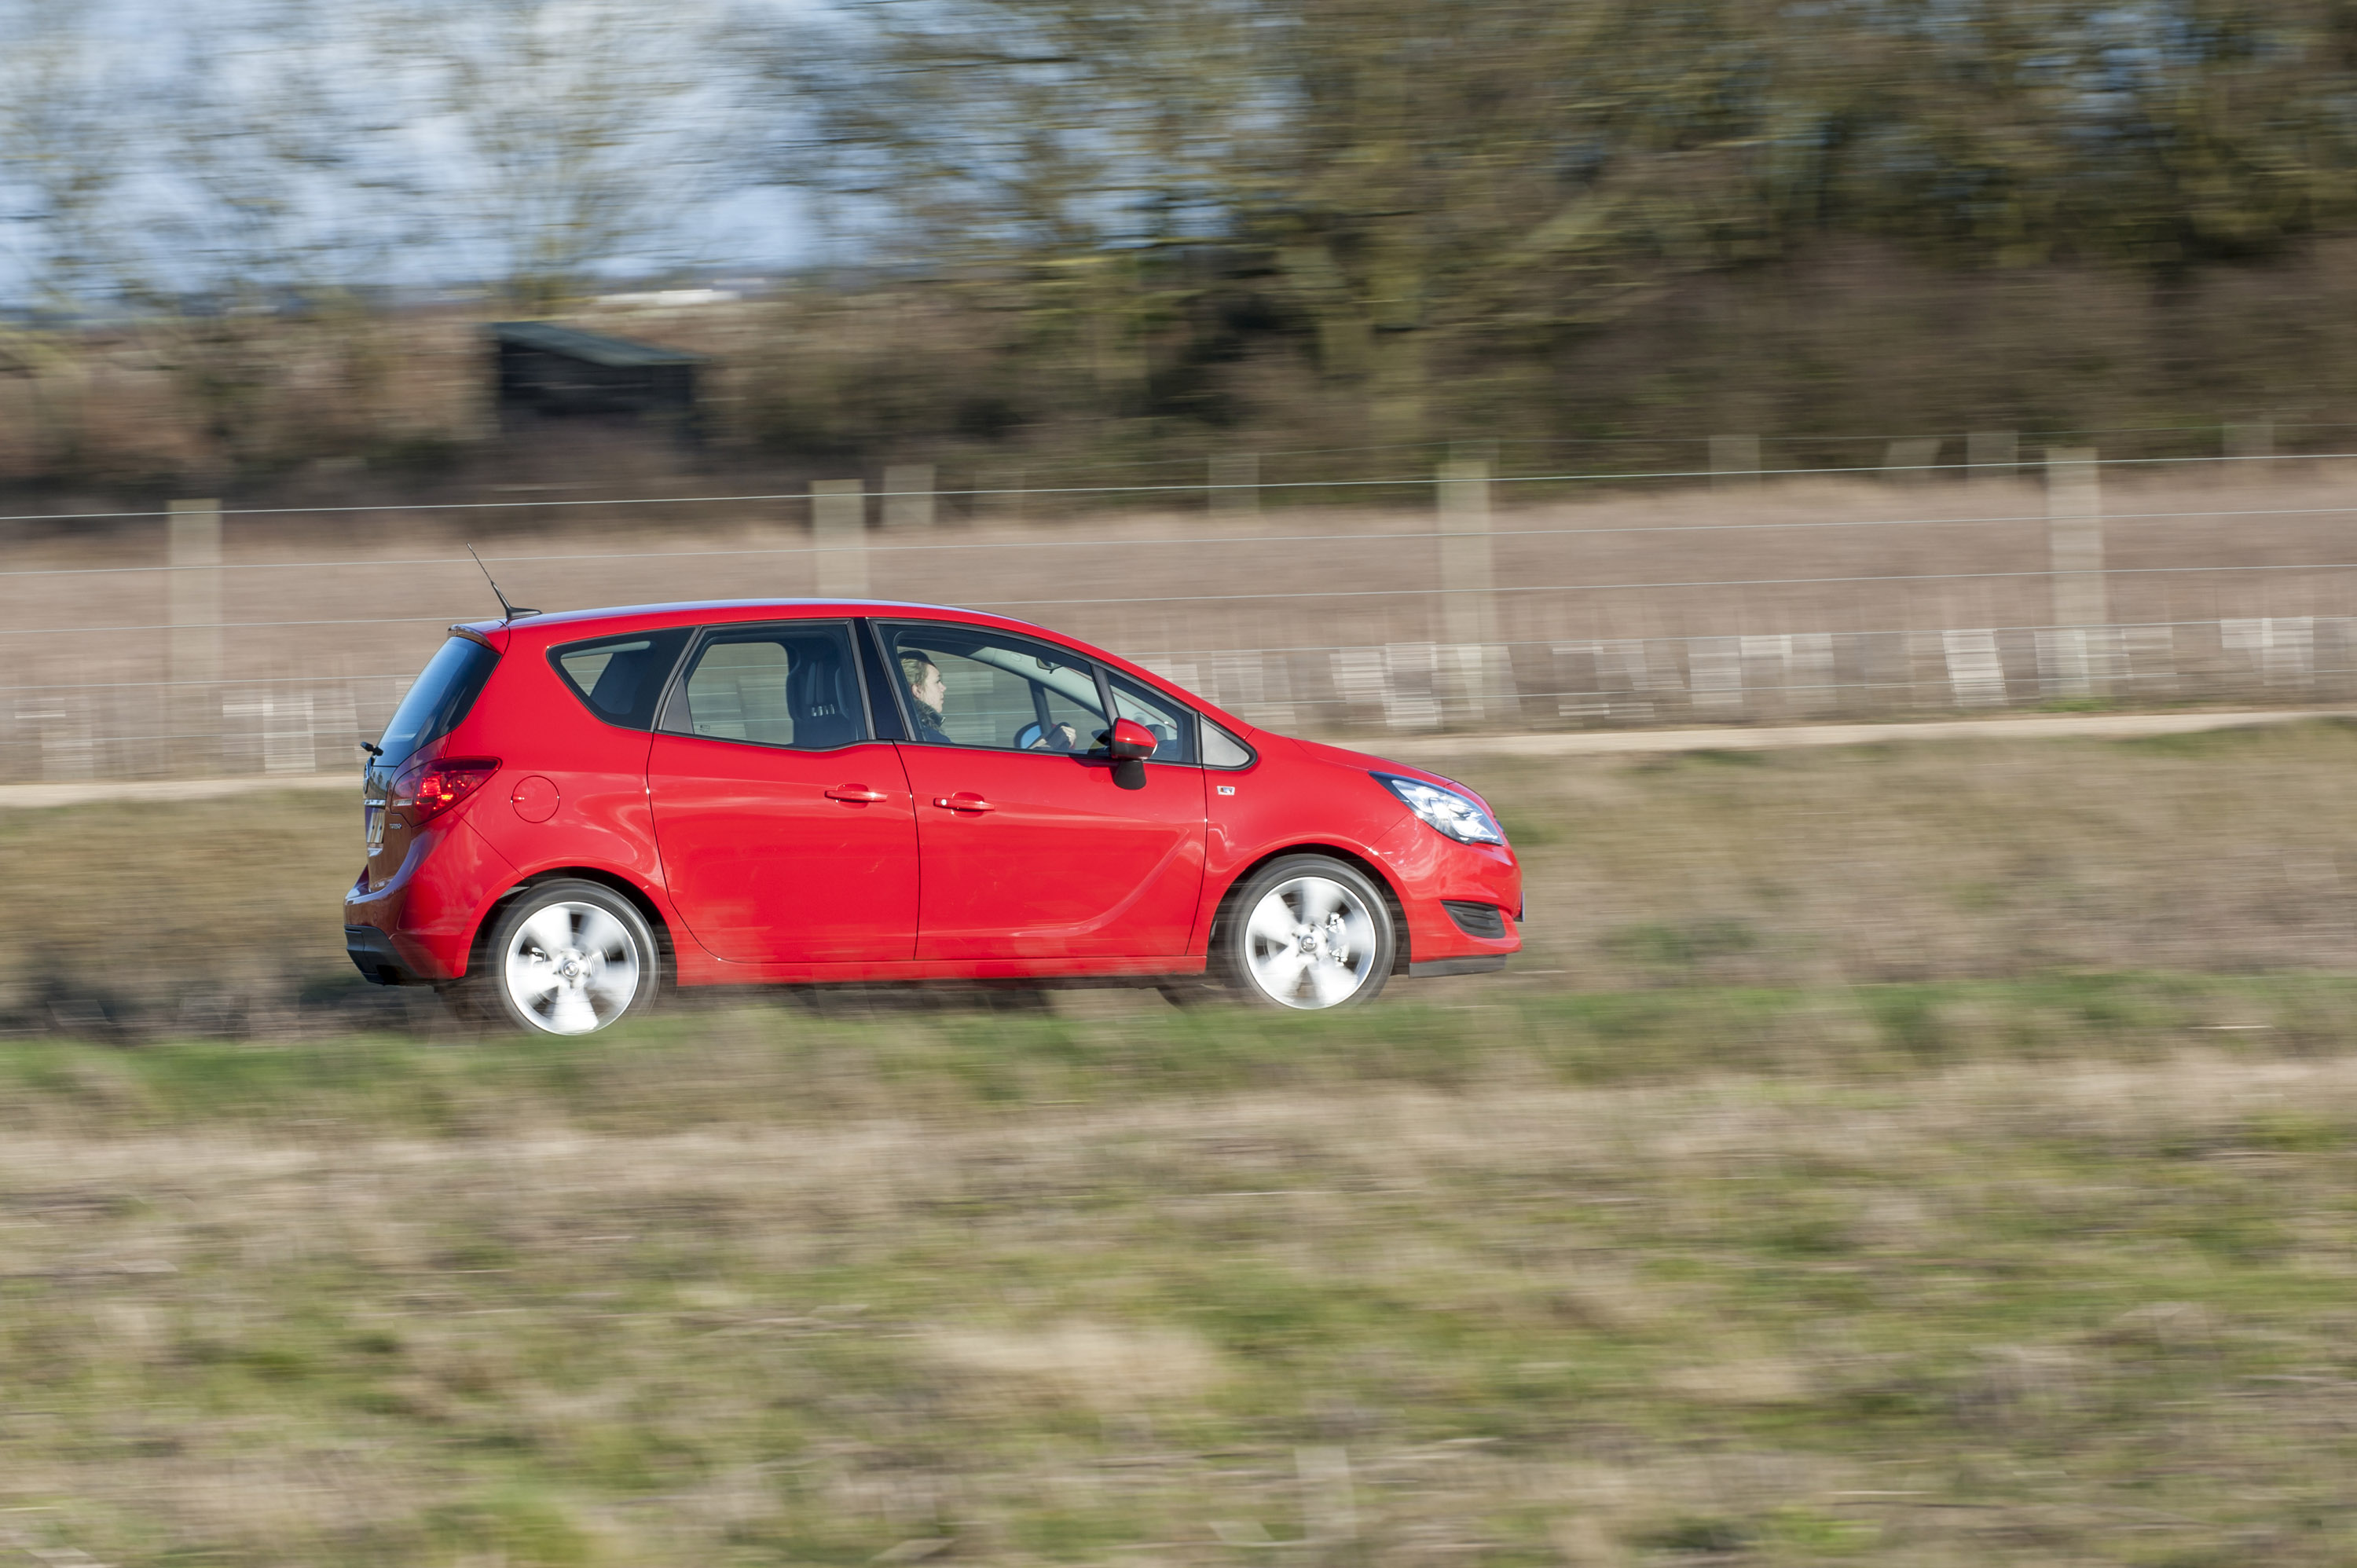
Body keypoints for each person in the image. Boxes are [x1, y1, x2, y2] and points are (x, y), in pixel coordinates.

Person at [899, 649, 1084, 750]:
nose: (943, 688)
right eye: (937, 681)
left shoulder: (917, 733)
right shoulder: (927, 738)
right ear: (917, 690)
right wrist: (1036, 752)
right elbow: (969, 780)